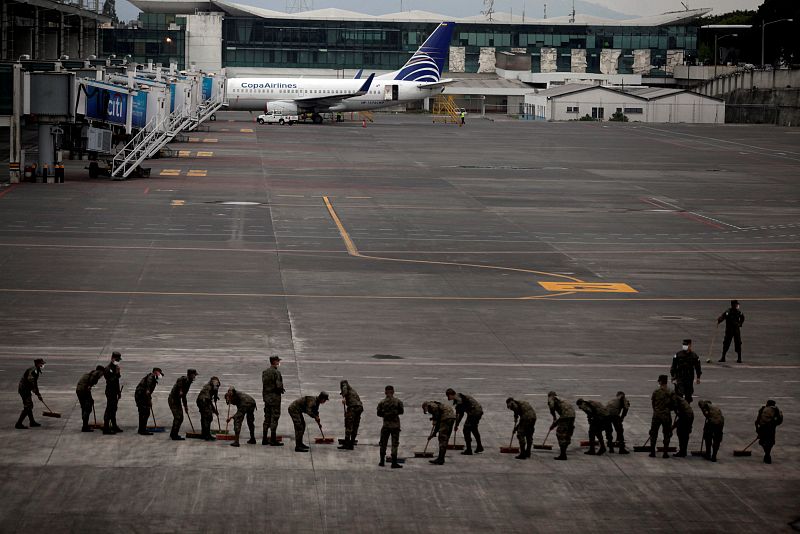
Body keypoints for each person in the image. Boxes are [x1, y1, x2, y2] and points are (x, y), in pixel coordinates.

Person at [446, 388, 484, 455]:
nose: (448, 398)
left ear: (450, 395)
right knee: (474, 429)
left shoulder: (458, 399)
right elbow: (461, 413)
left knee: (466, 430)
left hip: (474, 413)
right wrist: (457, 424)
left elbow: (461, 414)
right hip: (478, 411)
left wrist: (456, 424)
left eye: (448, 396)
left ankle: (469, 450)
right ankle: (479, 446)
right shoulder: (459, 396)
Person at [422, 400, 456, 465]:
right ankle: (441, 458)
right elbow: (438, 421)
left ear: (426, 406)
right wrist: (434, 434)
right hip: (451, 418)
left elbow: (437, 421)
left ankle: (440, 459)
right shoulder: (434, 405)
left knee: (442, 438)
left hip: (446, 418)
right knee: (445, 438)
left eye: (426, 410)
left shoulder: (431, 406)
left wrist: (434, 432)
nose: (427, 412)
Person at [377, 385, 404, 468]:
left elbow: (378, 413)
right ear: (393, 392)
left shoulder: (382, 402)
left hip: (386, 425)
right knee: (394, 444)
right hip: (395, 426)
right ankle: (394, 462)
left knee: (383, 443)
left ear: (385, 392)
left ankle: (382, 461)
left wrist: (386, 415)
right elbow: (401, 411)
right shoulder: (398, 402)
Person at [261, 356, 285, 446]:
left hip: (266, 398)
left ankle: (264, 439)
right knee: (274, 418)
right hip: (275, 399)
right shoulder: (276, 372)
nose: (279, 362)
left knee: (267, 418)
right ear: (274, 362)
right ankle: (273, 440)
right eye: (278, 361)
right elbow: (278, 386)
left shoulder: (265, 372)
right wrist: (281, 389)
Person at [168, 369, 198, 441]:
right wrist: (181, 390)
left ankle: (173, 433)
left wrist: (185, 406)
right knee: (178, 417)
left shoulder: (189, 382)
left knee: (180, 417)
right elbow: (179, 381)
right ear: (190, 374)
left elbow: (184, 396)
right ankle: (174, 435)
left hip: (177, 400)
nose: (195, 376)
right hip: (173, 400)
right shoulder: (184, 379)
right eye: (194, 374)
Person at [649, 375, 674, 458]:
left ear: (660, 381)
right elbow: (674, 404)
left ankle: (652, 452)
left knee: (653, 433)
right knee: (667, 433)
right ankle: (665, 452)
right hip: (666, 415)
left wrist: (656, 410)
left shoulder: (656, 391)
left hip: (657, 414)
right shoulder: (671, 391)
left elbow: (653, 402)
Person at [16, 358, 45, 429]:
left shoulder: (36, 370)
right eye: (41, 363)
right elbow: (31, 382)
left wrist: (38, 393)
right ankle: (18, 424)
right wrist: (37, 393)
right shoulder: (34, 370)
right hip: (24, 390)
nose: (43, 365)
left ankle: (32, 422)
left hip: (26, 389)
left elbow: (35, 383)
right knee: (28, 406)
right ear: (37, 364)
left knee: (29, 406)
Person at [75, 365, 106, 432]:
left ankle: (84, 425)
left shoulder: (90, 373)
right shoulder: (96, 373)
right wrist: (89, 387)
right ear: (100, 371)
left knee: (84, 407)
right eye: (102, 374)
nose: (102, 376)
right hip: (83, 390)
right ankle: (85, 427)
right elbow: (90, 383)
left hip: (79, 390)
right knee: (88, 408)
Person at [134, 368, 163, 436]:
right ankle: (142, 430)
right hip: (141, 397)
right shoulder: (150, 378)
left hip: (142, 396)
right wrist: (149, 400)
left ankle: (142, 429)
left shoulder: (152, 378)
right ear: (156, 372)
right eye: (159, 373)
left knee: (144, 413)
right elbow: (147, 391)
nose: (160, 375)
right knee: (145, 413)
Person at [548, 391, 575, 461]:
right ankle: (566, 445)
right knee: (567, 432)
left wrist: (554, 417)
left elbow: (551, 406)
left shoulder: (551, 398)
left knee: (560, 434)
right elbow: (562, 417)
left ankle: (563, 454)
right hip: (572, 415)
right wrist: (555, 424)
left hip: (565, 415)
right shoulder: (561, 399)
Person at [755, 400, 782, 464]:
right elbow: (779, 420)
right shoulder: (776, 410)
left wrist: (757, 429)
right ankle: (767, 454)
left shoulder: (764, 409)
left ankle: (767, 454)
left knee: (764, 442)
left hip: (765, 428)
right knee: (768, 442)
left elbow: (757, 421)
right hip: (770, 429)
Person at [338, 380, 363, 450]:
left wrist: (343, 397)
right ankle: (351, 444)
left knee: (348, 425)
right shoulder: (352, 390)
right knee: (355, 425)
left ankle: (346, 444)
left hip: (353, 408)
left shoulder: (344, 385)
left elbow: (344, 391)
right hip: (359, 408)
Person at [102, 352, 123, 434]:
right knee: (109, 409)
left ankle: (114, 426)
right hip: (110, 392)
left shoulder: (115, 367)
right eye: (117, 359)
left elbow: (117, 381)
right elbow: (111, 381)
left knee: (114, 409)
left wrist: (118, 392)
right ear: (113, 358)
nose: (118, 361)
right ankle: (106, 428)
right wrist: (117, 373)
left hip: (114, 391)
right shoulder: (107, 369)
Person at [196, 376, 221, 441]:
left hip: (201, 401)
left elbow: (215, 391)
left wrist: (215, 397)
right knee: (208, 417)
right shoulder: (208, 387)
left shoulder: (213, 385)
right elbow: (208, 401)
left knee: (204, 417)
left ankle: (203, 434)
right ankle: (207, 435)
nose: (217, 386)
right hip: (203, 401)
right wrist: (214, 410)